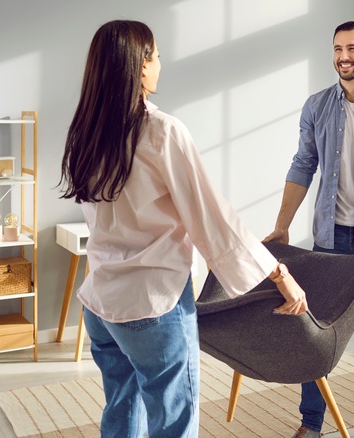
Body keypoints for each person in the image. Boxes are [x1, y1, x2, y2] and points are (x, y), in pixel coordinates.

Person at [59, 20, 309, 438]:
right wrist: (280, 274)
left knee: (121, 412)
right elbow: (212, 217)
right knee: (174, 424)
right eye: (155, 55)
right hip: (152, 306)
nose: (160, 62)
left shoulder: (87, 131)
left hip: (101, 303)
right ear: (139, 66)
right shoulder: (161, 131)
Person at [264, 20, 354, 438]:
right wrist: (281, 227)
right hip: (329, 240)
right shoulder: (316, 106)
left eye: (352, 48)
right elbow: (302, 166)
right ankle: (310, 424)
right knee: (316, 332)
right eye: (337, 49)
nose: (343, 57)